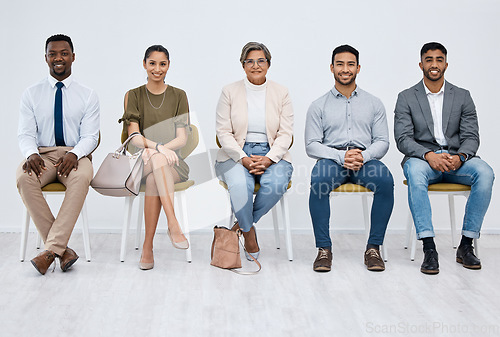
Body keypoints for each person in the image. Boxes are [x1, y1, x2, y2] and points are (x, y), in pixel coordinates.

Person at [394, 42, 494, 274]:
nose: (434, 64)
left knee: (485, 173)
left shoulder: (462, 96)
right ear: (421, 64)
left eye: (439, 60)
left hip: (457, 160)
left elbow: (471, 136)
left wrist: (460, 157)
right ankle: (429, 248)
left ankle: (466, 245)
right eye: (429, 60)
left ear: (446, 64)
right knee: (415, 173)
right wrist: (429, 155)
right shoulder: (406, 97)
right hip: (423, 159)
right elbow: (403, 139)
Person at [305, 45, 394, 272]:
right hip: (332, 161)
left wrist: (362, 156)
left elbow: (383, 141)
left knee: (385, 182)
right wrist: (340, 156)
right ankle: (324, 249)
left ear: (358, 68)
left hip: (366, 161)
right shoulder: (318, 106)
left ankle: (373, 248)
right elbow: (312, 145)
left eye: (350, 64)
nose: (345, 69)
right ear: (332, 68)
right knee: (318, 182)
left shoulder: (374, 104)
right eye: (340, 64)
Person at [16, 34, 100, 275]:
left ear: (73, 57)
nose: (58, 58)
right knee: (23, 178)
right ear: (46, 58)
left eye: (64, 53)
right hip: (42, 155)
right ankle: (62, 251)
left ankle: (50, 251)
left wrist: (76, 153)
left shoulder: (88, 94)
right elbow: (25, 133)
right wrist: (31, 153)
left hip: (76, 155)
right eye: (52, 54)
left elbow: (91, 136)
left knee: (82, 178)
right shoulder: (31, 94)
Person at [215, 42, 293, 260]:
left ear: (268, 64)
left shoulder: (282, 92)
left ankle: (242, 224)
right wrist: (242, 158)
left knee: (276, 184)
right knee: (240, 186)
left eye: (261, 60)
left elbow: (286, 133)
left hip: (272, 154)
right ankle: (249, 234)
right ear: (243, 65)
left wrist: (269, 159)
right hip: (235, 154)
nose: (256, 65)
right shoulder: (229, 91)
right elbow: (223, 132)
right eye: (250, 61)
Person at [119, 45, 190, 270]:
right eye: (152, 63)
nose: (157, 69)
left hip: (173, 164)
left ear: (169, 66)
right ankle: (173, 223)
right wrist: (158, 148)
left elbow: (182, 139)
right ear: (144, 64)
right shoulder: (134, 95)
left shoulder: (179, 95)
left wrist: (161, 152)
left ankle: (148, 246)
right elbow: (134, 136)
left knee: (154, 178)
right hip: (142, 161)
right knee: (156, 162)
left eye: (162, 64)